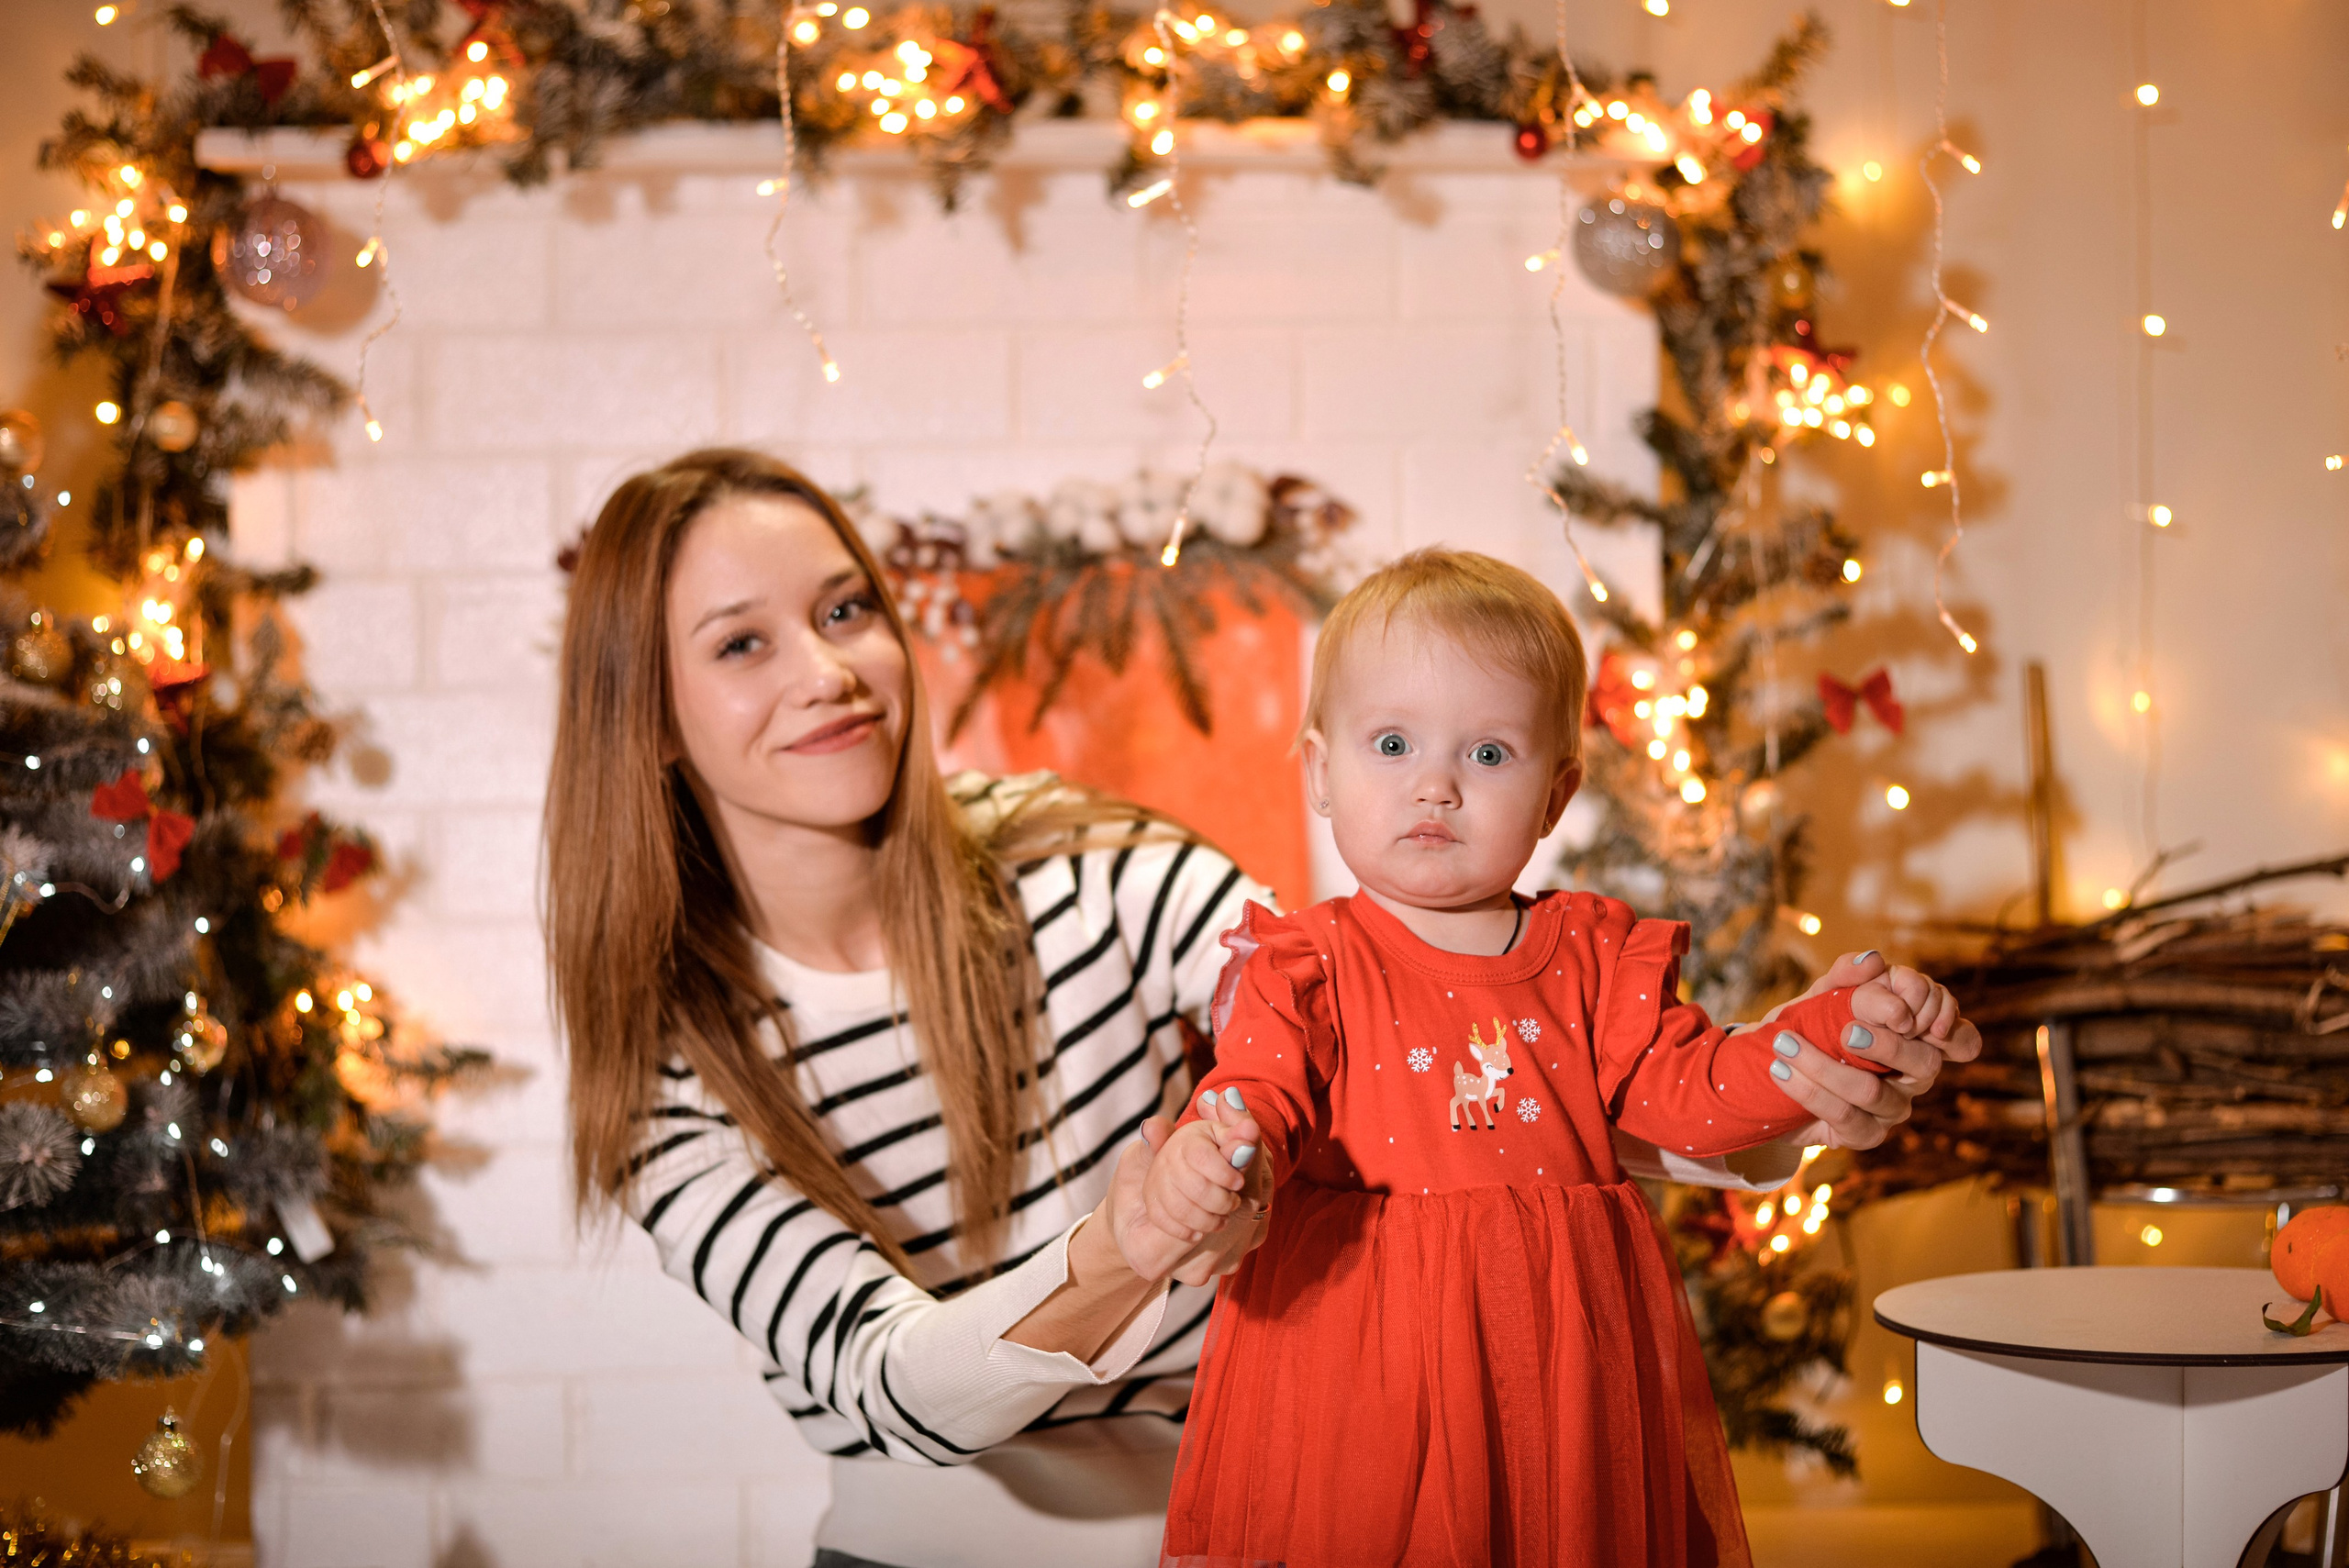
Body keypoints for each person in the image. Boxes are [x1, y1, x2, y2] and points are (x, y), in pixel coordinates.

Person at [541, 450, 1974, 1568]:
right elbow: (887, 1387)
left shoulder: (1087, 864)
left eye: (845, 609)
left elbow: (1424, 1038)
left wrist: (1794, 1087)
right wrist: (1127, 1244)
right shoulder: (669, 1090)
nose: (828, 671)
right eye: (741, 645)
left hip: (1287, 1508)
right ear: (648, 714)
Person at [1143, 549, 1976, 1568]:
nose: (1436, 785)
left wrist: (1827, 1032)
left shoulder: (1591, 956)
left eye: (1490, 753)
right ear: (1320, 770)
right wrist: (1212, 1150)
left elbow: (1693, 1091)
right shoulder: (1304, 963)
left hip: (1556, 1371)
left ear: (1555, 792)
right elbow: (1255, 1093)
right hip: (1361, 1363)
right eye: (1393, 743)